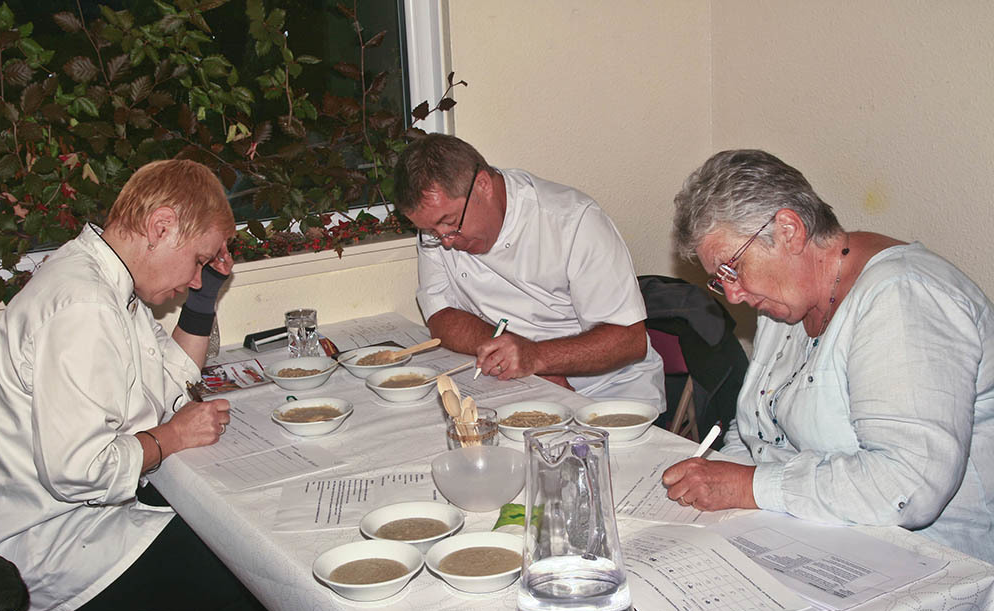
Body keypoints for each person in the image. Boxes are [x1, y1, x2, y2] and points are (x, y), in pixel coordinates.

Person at [0, 160, 277, 611]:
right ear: (160, 227)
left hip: (73, 515)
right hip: (46, 547)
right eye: (197, 260)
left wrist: (201, 302)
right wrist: (170, 437)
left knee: (241, 518)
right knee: (263, 584)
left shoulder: (106, 279)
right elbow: (77, 470)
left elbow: (166, 380)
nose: (194, 277)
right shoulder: (83, 306)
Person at [661, 149, 994, 564]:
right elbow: (757, 436)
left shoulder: (904, 298)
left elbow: (908, 488)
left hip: (935, 564)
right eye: (720, 280)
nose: (732, 295)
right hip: (817, 539)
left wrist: (747, 488)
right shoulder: (789, 300)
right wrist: (714, 481)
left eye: (732, 269)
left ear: (789, 229)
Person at [394, 133, 665, 406]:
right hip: (522, 382)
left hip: (608, 390)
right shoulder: (438, 232)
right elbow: (441, 316)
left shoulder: (572, 221)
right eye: (430, 232)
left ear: (483, 186)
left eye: (450, 223)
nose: (446, 241)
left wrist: (537, 358)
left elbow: (629, 341)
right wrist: (512, 353)